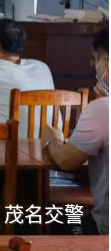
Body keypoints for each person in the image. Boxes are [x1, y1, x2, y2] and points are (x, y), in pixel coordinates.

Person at [42, 26, 108, 235]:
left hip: (105, 234)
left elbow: (66, 161)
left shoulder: (103, 108)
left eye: (94, 58)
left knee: (37, 222)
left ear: (105, 61)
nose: (92, 64)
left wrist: (52, 139)